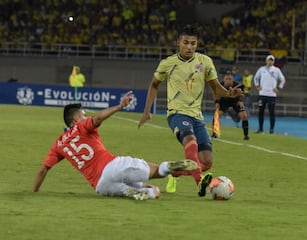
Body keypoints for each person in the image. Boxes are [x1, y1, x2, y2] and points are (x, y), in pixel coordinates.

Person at [32, 91, 198, 200]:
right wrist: (119, 106)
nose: (86, 116)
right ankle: (168, 166)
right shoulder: (81, 127)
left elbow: (43, 169)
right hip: (112, 166)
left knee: (152, 191)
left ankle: (139, 191)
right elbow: (97, 119)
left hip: (100, 185)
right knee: (158, 171)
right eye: (84, 115)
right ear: (76, 120)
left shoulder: (59, 143)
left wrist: (33, 192)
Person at [137, 25, 242, 197]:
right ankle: (200, 181)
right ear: (178, 42)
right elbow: (154, 84)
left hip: (197, 117)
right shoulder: (168, 63)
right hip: (177, 114)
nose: (189, 47)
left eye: (193, 43)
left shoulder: (205, 62)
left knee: (207, 161)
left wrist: (229, 93)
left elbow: (216, 88)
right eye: (186, 42)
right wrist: (146, 111)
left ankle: (174, 173)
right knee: (190, 140)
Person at [211, 70, 250, 140]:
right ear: (224, 79)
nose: (228, 80)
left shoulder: (238, 85)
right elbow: (214, 93)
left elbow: (242, 93)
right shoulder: (220, 85)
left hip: (235, 101)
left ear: (233, 79)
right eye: (226, 79)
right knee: (217, 115)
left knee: (244, 116)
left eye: (230, 79)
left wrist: (240, 101)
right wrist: (216, 102)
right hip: (224, 101)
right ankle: (214, 133)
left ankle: (246, 135)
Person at [253, 55, 286, 134]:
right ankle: (260, 129)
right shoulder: (261, 69)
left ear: (273, 61)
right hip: (263, 94)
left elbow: (283, 79)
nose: (270, 62)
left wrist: (278, 88)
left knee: (272, 112)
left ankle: (271, 129)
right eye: (269, 60)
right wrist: (257, 86)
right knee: (261, 112)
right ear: (266, 61)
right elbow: (256, 78)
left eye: (272, 60)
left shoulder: (276, 70)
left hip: (272, 95)